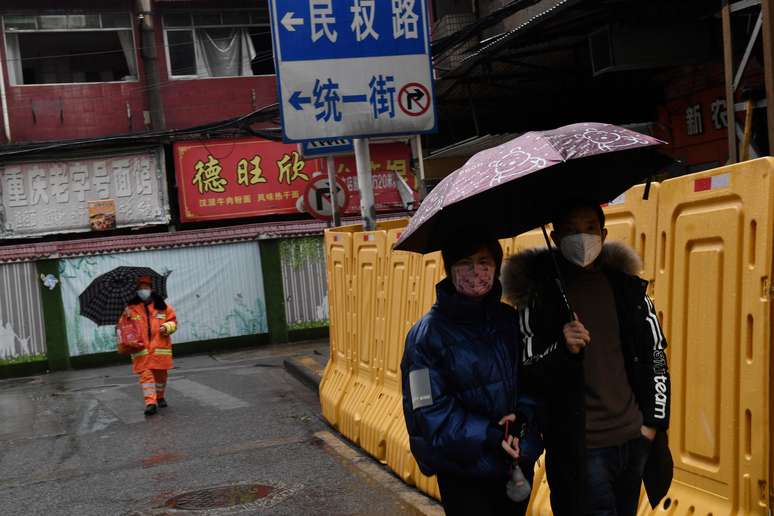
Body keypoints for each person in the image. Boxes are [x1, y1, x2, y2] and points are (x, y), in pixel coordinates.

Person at [502, 199, 672, 516]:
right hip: (580, 452)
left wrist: (652, 424)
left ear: (604, 234)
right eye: (571, 230)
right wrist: (562, 350)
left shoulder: (629, 290)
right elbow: (526, 372)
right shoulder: (536, 297)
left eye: (590, 228)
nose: (582, 237)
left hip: (633, 442)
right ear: (554, 238)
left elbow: (655, 357)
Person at [401, 236, 541, 516]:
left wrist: (522, 419)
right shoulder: (425, 337)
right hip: (462, 471)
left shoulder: (511, 321)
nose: (476, 272)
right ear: (449, 269)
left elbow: (534, 381)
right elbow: (427, 410)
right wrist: (487, 435)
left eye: (484, 262)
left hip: (514, 464)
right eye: (465, 263)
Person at [118, 275, 178, 416]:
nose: (143, 290)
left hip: (160, 349)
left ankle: (160, 396)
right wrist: (125, 316)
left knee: (161, 377)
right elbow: (123, 327)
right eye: (140, 288)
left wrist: (166, 327)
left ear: (151, 289)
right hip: (141, 350)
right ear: (136, 291)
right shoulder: (130, 308)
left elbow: (174, 322)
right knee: (146, 377)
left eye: (146, 288)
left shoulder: (163, 307)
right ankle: (150, 403)